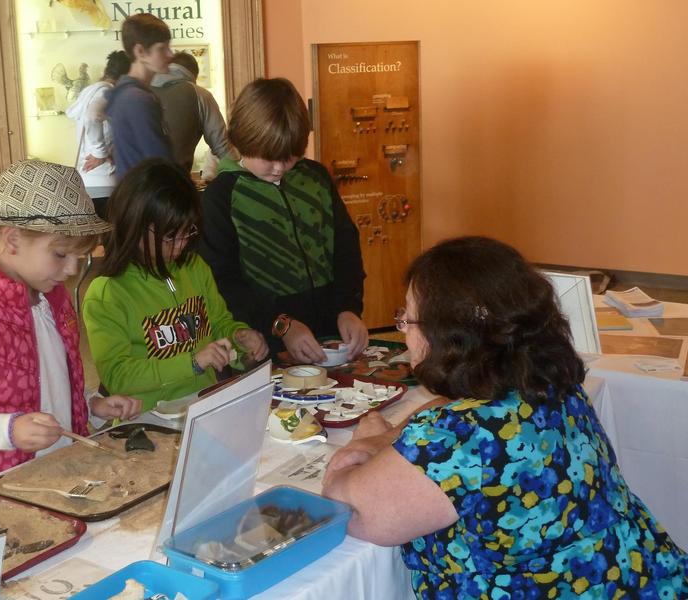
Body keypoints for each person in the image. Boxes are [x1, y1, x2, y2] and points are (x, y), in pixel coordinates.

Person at [322, 237, 687, 599]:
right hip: (643, 578)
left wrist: (359, 444)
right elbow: (444, 410)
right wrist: (387, 439)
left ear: (449, 333)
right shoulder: (548, 384)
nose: (403, 332)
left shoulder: (460, 437)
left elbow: (345, 508)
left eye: (407, 319)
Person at [0, 160, 141, 501]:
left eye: (80, 258)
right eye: (61, 254)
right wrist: (8, 430)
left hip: (51, 476)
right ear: (13, 239)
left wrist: (90, 403)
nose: (70, 269)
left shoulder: (54, 301)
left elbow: (49, 380)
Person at [199, 77, 367, 364]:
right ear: (243, 139)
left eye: (289, 158)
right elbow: (222, 281)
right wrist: (281, 324)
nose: (279, 168)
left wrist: (348, 308)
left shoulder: (316, 177)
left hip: (331, 331)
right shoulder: (220, 197)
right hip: (264, 340)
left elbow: (346, 247)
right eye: (269, 157)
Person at [82, 159, 268, 411]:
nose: (180, 245)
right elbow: (117, 375)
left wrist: (239, 337)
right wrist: (191, 363)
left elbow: (219, 323)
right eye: (169, 236)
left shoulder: (194, 267)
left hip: (204, 406)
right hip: (147, 421)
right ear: (134, 225)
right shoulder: (108, 292)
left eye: (187, 233)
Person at [105, 13, 173, 178]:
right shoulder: (137, 99)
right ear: (140, 51)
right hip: (147, 197)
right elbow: (159, 161)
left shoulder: (126, 94)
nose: (170, 54)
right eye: (162, 48)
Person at [151, 50, 231, 175]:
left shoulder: (140, 92)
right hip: (178, 183)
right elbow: (223, 147)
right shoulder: (200, 94)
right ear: (194, 75)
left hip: (138, 184)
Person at [65, 50, 131, 188]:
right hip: (105, 175)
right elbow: (92, 116)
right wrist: (99, 153)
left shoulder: (90, 91)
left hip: (88, 176)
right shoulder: (107, 92)